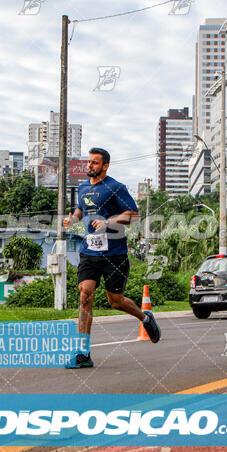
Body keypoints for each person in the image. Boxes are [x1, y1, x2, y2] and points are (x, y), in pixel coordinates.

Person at [63, 147, 161, 368]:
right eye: (89, 162)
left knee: (115, 301)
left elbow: (134, 215)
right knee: (85, 296)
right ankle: (83, 354)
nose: (90, 166)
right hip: (89, 251)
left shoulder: (116, 187)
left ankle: (145, 318)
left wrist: (108, 222)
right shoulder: (83, 188)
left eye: (95, 163)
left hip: (114, 255)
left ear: (105, 166)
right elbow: (81, 209)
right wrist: (73, 219)